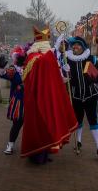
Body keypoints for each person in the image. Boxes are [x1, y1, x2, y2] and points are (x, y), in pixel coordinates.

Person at [21, 26, 77, 164]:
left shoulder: (34, 57)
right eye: (47, 43)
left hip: (39, 97)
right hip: (39, 98)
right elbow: (45, 79)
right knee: (41, 125)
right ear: (44, 43)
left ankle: (44, 154)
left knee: (43, 126)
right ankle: (37, 156)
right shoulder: (42, 58)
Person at [65, 36, 98, 157]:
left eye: (77, 45)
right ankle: (78, 142)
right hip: (76, 96)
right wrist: (65, 72)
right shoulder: (67, 60)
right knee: (77, 120)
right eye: (73, 45)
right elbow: (64, 79)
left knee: (93, 119)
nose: (75, 47)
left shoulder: (91, 59)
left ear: (83, 47)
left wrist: (93, 78)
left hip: (91, 95)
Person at [0, 46, 26, 155]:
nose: (15, 59)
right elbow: (4, 75)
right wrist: (1, 68)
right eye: (16, 57)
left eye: (17, 57)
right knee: (17, 124)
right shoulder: (13, 69)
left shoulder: (31, 66)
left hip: (31, 100)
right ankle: (10, 145)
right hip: (19, 100)